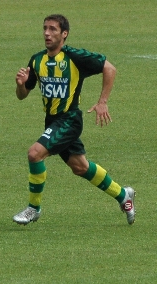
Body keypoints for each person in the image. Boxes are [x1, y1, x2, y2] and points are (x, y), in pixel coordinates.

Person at [13, 14, 135, 225]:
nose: (47, 33)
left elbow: (110, 68)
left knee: (34, 154)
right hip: (52, 121)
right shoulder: (37, 60)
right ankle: (123, 195)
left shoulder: (74, 57)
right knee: (80, 167)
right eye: (44, 28)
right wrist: (21, 85)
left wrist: (103, 101)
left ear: (64, 34)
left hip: (69, 120)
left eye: (52, 29)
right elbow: (22, 96)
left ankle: (33, 209)